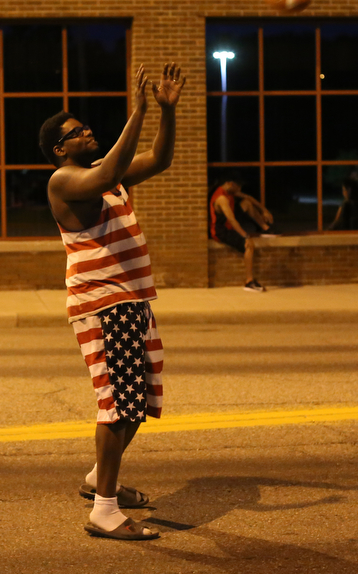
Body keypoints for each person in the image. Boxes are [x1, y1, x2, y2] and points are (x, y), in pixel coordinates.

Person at [39, 62, 185, 541]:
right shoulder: (64, 180)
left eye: (86, 127)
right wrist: (136, 110)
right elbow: (109, 168)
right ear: (61, 149)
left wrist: (165, 112)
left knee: (136, 398)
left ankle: (98, 480)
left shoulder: (112, 180)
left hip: (131, 300)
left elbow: (158, 160)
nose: (88, 132)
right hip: (104, 304)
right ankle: (104, 510)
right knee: (117, 403)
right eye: (77, 132)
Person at [209, 180, 276, 292]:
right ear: (230, 183)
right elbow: (231, 219)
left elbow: (248, 197)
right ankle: (249, 281)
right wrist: (246, 236)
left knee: (247, 203)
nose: (239, 190)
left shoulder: (228, 192)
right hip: (220, 230)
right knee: (248, 245)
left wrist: (264, 210)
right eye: (238, 187)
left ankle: (266, 229)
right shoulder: (222, 198)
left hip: (228, 225)